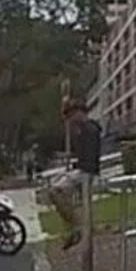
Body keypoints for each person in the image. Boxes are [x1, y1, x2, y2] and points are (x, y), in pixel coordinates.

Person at [49, 100, 102, 250]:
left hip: (86, 173)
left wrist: (81, 173)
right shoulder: (83, 130)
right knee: (57, 191)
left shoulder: (89, 130)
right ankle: (73, 226)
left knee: (55, 191)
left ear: (79, 112)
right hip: (82, 171)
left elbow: (90, 158)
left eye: (71, 116)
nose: (70, 121)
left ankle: (75, 226)